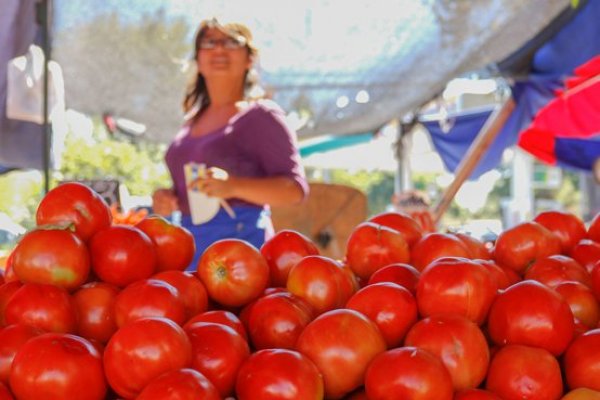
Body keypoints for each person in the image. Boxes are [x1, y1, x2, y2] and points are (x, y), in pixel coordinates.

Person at [152, 18, 308, 271]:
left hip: (242, 253)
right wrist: (167, 199)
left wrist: (233, 186)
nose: (219, 49)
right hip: (189, 249)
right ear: (197, 60)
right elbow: (191, 193)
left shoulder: (261, 115)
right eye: (209, 42)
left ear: (249, 59)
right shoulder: (190, 122)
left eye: (232, 42)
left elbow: (294, 191)